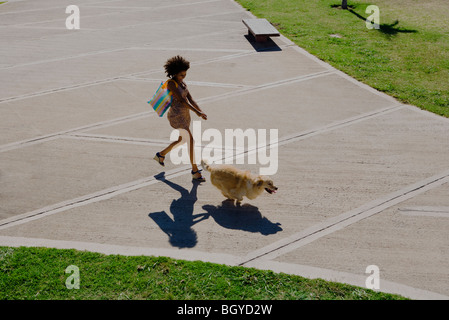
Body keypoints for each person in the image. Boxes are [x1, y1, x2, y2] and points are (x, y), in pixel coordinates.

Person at [153, 55, 208, 182]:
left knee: (182, 140)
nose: (184, 77)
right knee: (190, 141)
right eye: (181, 75)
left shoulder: (182, 83)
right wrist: (197, 112)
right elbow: (182, 100)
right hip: (177, 116)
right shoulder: (171, 84)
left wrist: (200, 110)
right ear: (174, 73)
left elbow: (190, 99)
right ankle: (195, 171)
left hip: (185, 115)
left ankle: (160, 155)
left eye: (185, 74)